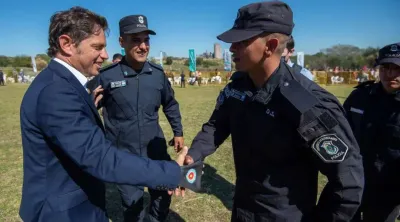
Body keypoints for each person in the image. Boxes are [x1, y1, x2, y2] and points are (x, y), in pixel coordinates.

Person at [181, 1, 364, 221]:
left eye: (243, 41)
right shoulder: (238, 87)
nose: (231, 48)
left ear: (270, 45)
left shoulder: (306, 104)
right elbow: (217, 126)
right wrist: (194, 154)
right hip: (243, 210)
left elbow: (348, 182)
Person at [19, 7, 194, 222]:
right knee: (133, 207)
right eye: (97, 47)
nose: (105, 54)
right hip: (64, 212)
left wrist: (87, 108)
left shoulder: (63, 85)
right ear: (66, 45)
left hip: (144, 155)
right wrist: (173, 173)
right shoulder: (57, 91)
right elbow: (98, 157)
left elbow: (170, 104)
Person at [88, 14, 184, 222]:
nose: (143, 46)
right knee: (133, 204)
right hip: (124, 154)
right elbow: (86, 107)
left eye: (146, 40)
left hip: (154, 149)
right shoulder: (107, 76)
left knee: (163, 195)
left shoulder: (158, 75)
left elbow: (170, 104)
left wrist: (178, 132)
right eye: (136, 40)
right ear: (122, 42)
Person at [344, 42, 400, 222]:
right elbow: (341, 131)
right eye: (385, 67)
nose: (390, 74)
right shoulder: (360, 97)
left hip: (389, 189)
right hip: (353, 182)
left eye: (397, 68)